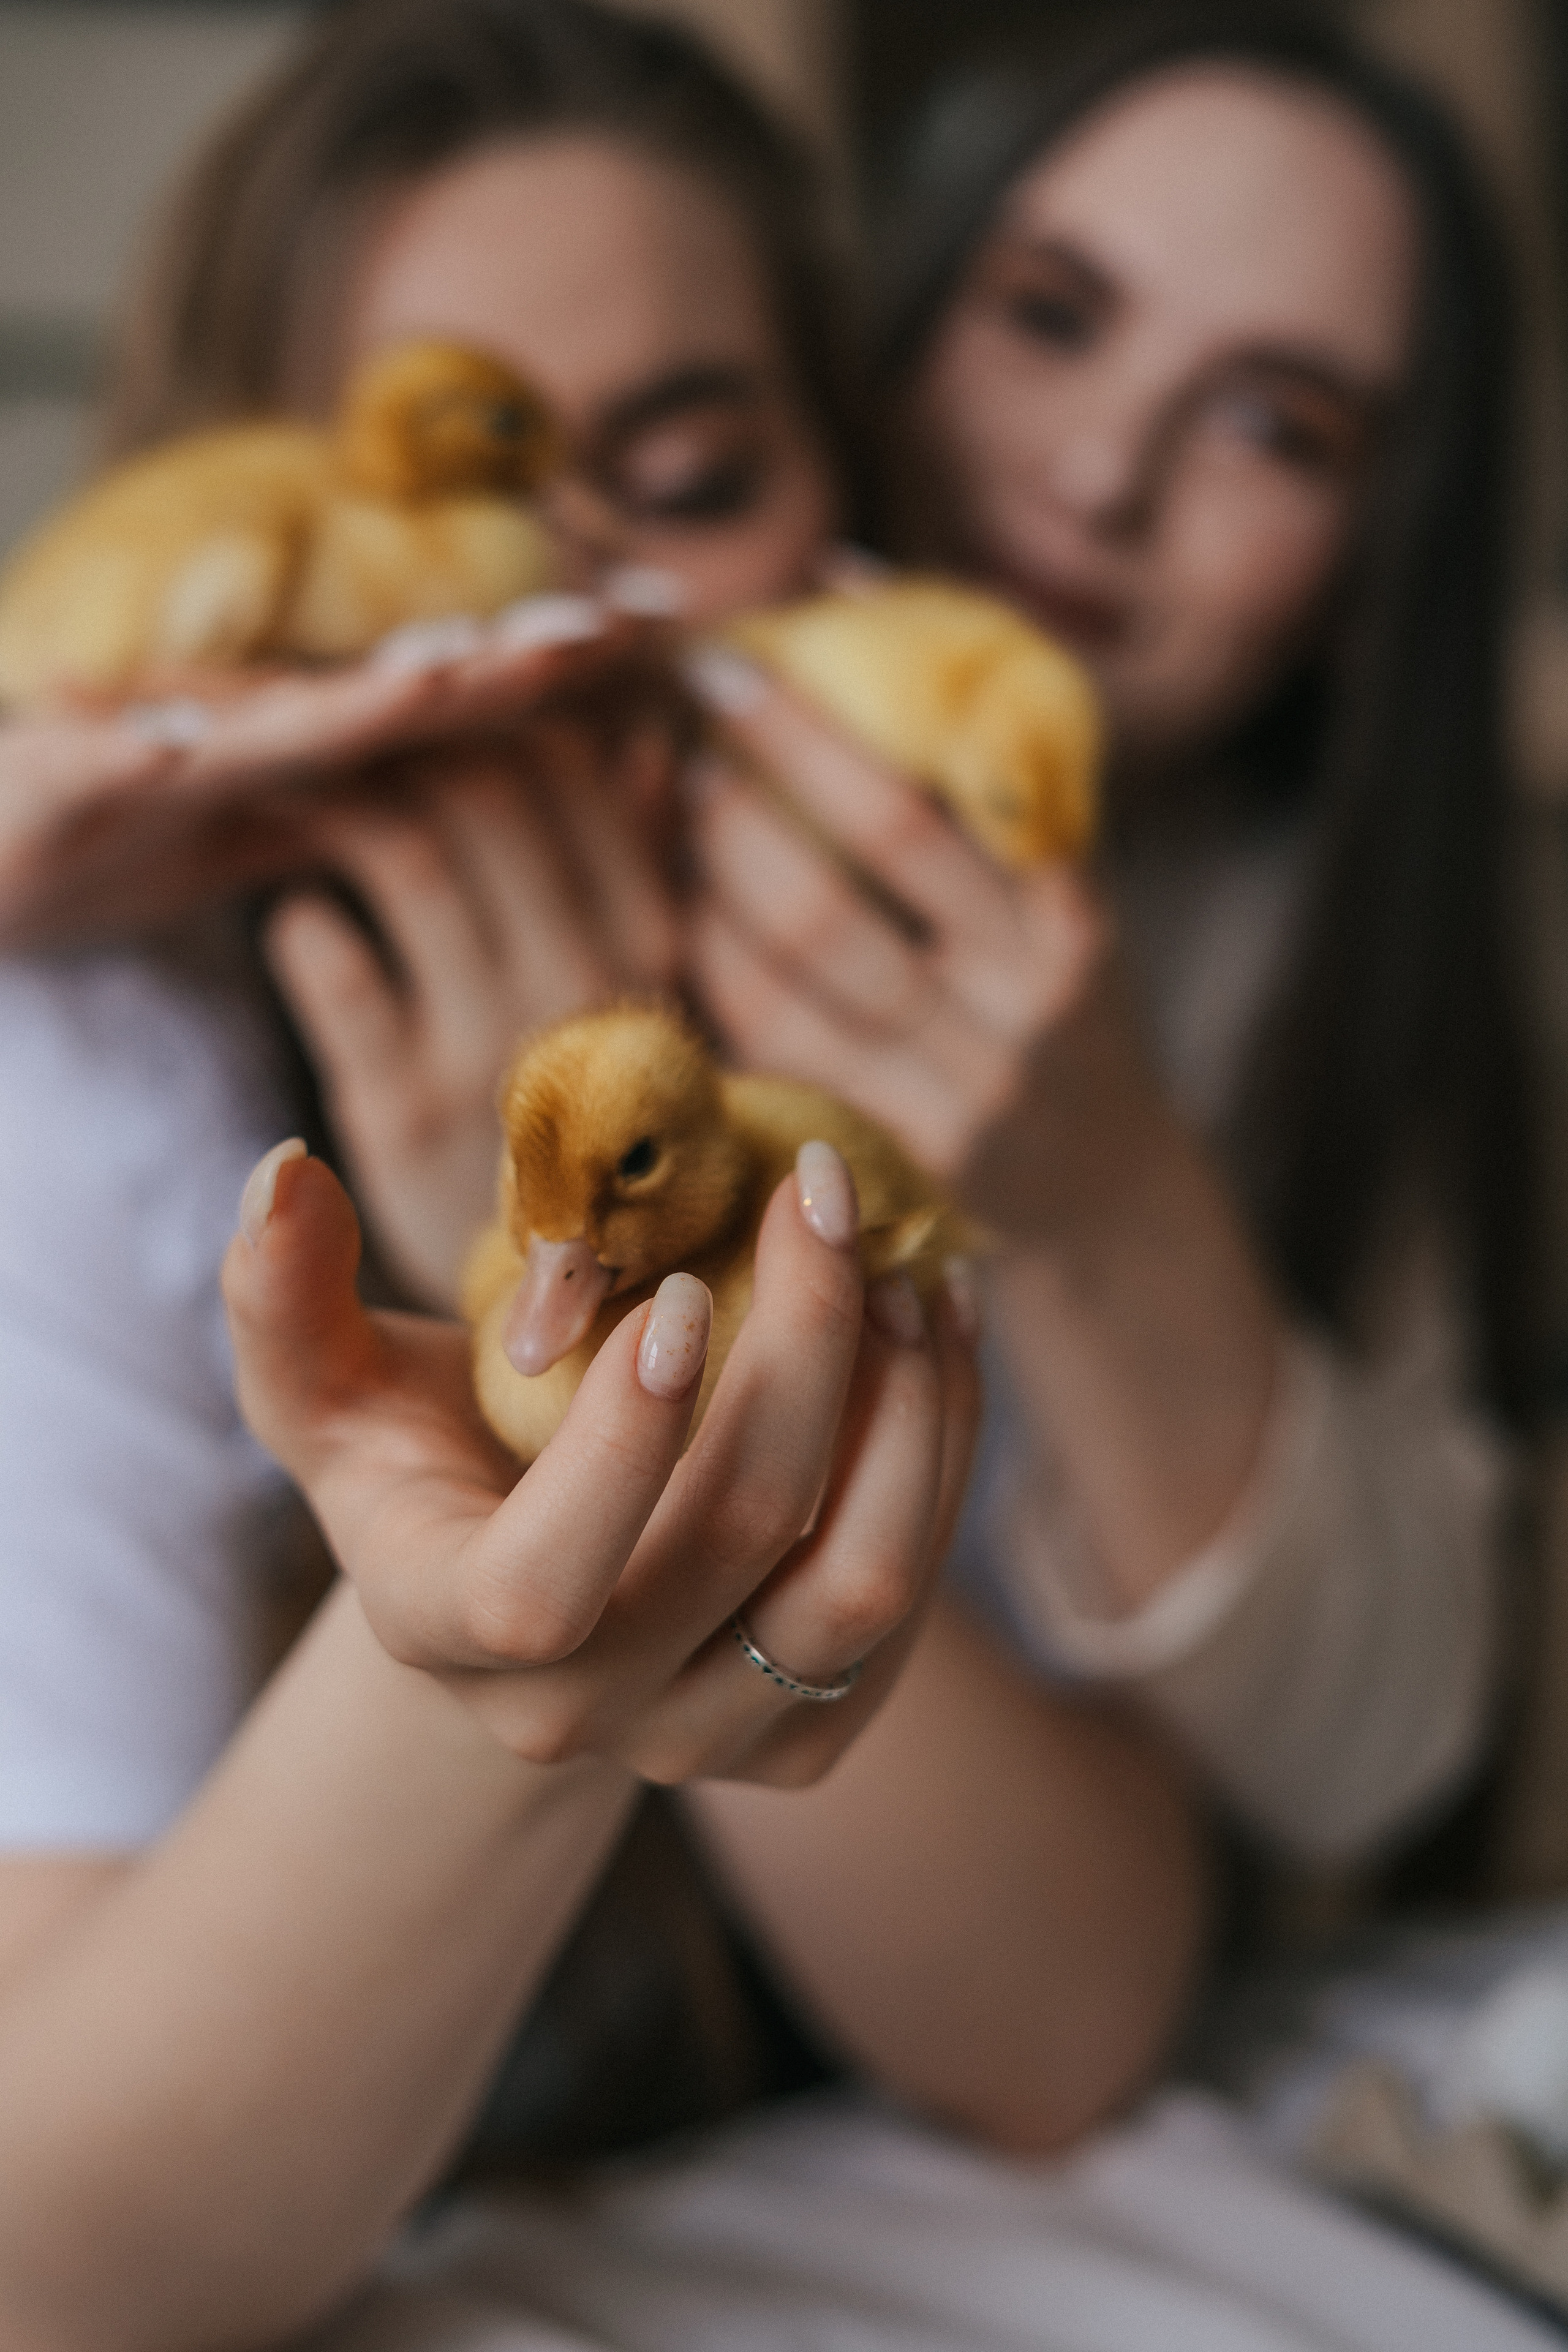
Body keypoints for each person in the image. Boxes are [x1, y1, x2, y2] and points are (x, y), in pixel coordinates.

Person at [0, 6, 1205, 2343]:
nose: (550, 606)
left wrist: (658, 1302)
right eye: (429, 504)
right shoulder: (93, 1064)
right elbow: (49, 2263)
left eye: (683, 477)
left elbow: (1067, 2032)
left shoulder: (909, 1019)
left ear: (839, 526)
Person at [679, 4, 1537, 1873]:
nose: (1098, 475)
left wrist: (1106, 1192)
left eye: (1271, 425)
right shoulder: (615, 740)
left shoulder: (1304, 948)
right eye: (1051, 316)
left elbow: (1387, 1748)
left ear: (1371, 563)